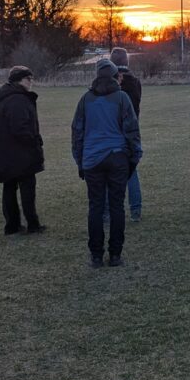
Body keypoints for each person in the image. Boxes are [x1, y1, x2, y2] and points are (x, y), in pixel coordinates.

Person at [72, 58, 142, 267]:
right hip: (117, 157)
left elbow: (77, 133)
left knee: (95, 207)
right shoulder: (121, 98)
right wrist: (134, 156)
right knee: (116, 206)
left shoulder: (85, 99)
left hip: (92, 159)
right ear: (113, 76)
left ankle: (95, 255)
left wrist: (80, 161)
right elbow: (132, 130)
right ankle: (115, 254)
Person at [0, 65, 46, 235]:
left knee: (9, 187)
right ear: (20, 80)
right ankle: (32, 224)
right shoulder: (18, 99)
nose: (31, 82)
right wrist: (34, 141)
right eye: (28, 79)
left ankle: (12, 225)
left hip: (6, 152)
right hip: (20, 153)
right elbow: (20, 128)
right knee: (27, 188)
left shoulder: (7, 97)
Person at [108, 47, 143, 221]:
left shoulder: (109, 83)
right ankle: (135, 210)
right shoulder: (135, 82)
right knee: (131, 171)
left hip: (112, 131)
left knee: (107, 173)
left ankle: (106, 212)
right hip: (131, 131)